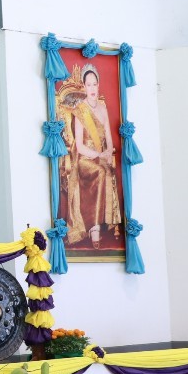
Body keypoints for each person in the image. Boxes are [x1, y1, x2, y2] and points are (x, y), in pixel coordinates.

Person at [65, 65, 122, 248]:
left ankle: (101, 223)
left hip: (99, 155)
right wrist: (98, 155)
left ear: (98, 86)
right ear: (84, 87)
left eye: (95, 84)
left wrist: (107, 153)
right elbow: (80, 146)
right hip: (84, 159)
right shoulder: (80, 110)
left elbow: (110, 140)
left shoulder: (103, 109)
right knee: (99, 171)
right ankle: (93, 226)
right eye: (88, 85)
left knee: (107, 170)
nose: (92, 89)